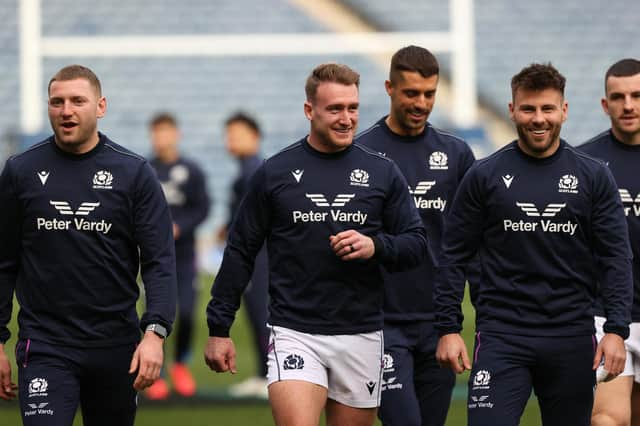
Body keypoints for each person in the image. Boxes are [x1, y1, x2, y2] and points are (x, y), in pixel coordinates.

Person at [204, 63, 428, 426]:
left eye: (352, 108)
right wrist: (219, 327)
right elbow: (241, 249)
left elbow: (416, 243)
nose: (346, 118)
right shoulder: (274, 172)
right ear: (310, 110)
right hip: (295, 331)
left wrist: (376, 246)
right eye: (335, 109)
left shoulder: (382, 172)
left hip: (361, 333)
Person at [435, 63, 632, 426]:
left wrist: (616, 330)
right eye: (528, 108)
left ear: (564, 111)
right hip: (502, 335)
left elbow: (615, 257)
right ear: (512, 110)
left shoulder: (593, 176)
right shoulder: (484, 175)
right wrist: (448, 327)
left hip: (572, 335)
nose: (538, 119)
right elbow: (453, 254)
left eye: (547, 109)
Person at [0, 65, 176, 425]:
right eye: (57, 102)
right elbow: (3, 261)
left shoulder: (134, 173)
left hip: (116, 346)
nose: (67, 110)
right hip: (46, 345)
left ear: (100, 106)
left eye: (78, 101)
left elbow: (158, 261)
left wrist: (155, 333)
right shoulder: (20, 171)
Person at [356, 45, 475, 426]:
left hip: (438, 321)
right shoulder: (362, 152)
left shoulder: (456, 155)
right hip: (380, 320)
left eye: (429, 94)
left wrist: (455, 324)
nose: (421, 103)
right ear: (390, 87)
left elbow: (471, 243)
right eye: (411, 93)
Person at [578, 58, 640, 426]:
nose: (628, 105)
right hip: (605, 315)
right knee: (606, 419)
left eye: (637, 95)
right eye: (618, 97)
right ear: (605, 105)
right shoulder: (586, 163)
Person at [146, 113, 210, 399]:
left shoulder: (192, 170)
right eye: (157, 133)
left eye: (166, 132)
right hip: (153, 258)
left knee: (186, 312)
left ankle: (180, 364)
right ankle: (155, 371)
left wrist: (180, 227)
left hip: (184, 257)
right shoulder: (144, 169)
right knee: (154, 312)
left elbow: (203, 208)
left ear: (176, 135)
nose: (162, 139)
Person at [217, 112, 269, 398]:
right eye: (228, 134)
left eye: (236, 134)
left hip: (259, 256)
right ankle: (264, 373)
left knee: (262, 312)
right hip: (257, 254)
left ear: (254, 136)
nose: (230, 140)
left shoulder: (253, 172)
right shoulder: (247, 170)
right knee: (255, 312)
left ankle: (269, 375)